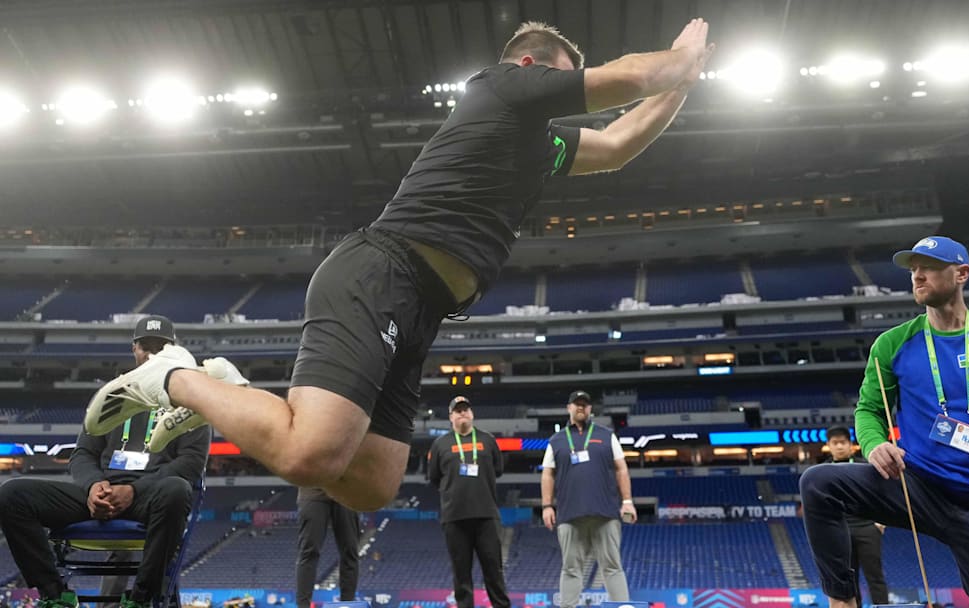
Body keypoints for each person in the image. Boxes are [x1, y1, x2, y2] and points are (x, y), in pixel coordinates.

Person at [83, 19, 715, 511]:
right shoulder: (500, 86)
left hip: (422, 308)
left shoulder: (537, 141)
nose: (565, 94)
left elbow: (617, 146)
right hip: (381, 273)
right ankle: (174, 377)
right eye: (563, 79)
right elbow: (632, 76)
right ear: (530, 66)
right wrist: (682, 54)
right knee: (310, 455)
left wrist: (682, 83)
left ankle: (230, 387)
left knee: (371, 483)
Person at [799, 236, 969, 608]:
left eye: (930, 267)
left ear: (962, 274)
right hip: (917, 487)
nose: (918, 276)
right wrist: (874, 445)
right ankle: (842, 600)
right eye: (913, 269)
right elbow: (869, 410)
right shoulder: (891, 345)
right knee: (820, 482)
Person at [0, 316, 210, 608]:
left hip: (151, 497)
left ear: (173, 350)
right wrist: (93, 485)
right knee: (12, 494)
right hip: (100, 494)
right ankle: (55, 595)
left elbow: (190, 463)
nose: (151, 354)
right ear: (134, 349)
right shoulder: (110, 396)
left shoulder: (191, 400)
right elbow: (83, 454)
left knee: (176, 489)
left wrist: (134, 491)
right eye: (144, 347)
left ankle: (141, 599)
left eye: (159, 348)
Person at [541, 391, 635, 608]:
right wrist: (547, 506)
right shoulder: (556, 440)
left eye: (585, 404)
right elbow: (547, 473)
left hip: (605, 512)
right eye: (576, 404)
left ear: (591, 409)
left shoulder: (606, 434)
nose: (581, 408)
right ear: (569, 408)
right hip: (569, 514)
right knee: (571, 568)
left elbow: (621, 468)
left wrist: (627, 501)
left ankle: (622, 606)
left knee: (612, 565)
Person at [427, 396, 508, 608]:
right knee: (461, 576)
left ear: (472, 414)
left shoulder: (488, 440)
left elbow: (498, 470)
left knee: (494, 572)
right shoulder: (440, 444)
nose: (462, 413)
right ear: (450, 417)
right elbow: (434, 477)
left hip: (486, 515)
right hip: (454, 518)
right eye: (457, 411)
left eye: (465, 410)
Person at [822, 425, 888, 606]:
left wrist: (881, 521)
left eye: (843, 442)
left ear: (851, 444)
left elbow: (879, 493)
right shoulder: (822, 471)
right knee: (849, 578)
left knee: (875, 576)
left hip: (867, 527)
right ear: (828, 445)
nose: (840, 446)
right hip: (840, 531)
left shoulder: (863, 465)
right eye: (835, 443)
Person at [295, 487, 360, 608]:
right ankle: (302, 606)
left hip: (347, 493)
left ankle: (348, 604)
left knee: (350, 551)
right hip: (313, 491)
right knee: (309, 551)